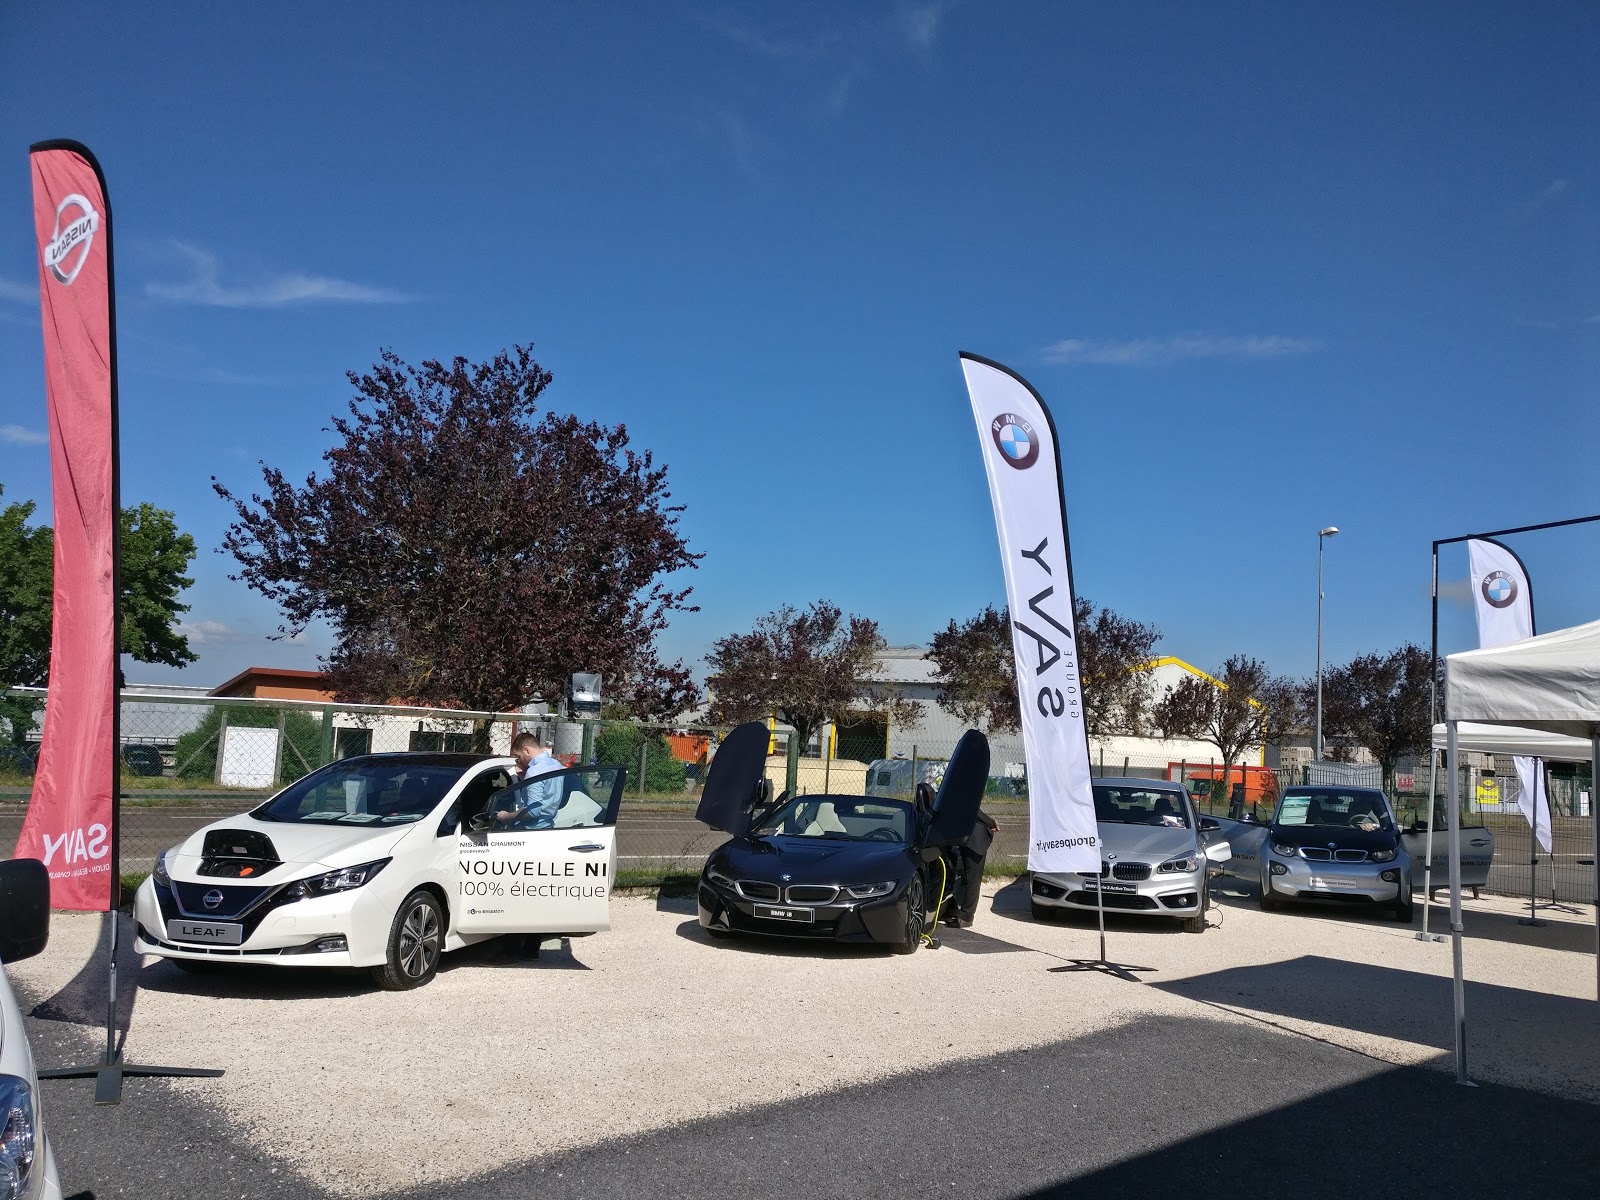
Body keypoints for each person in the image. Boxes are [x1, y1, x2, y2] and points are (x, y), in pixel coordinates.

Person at [495, 730, 562, 829]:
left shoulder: (534, 772)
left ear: (527, 750)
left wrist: (506, 817)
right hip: (549, 825)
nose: (519, 761)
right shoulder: (556, 765)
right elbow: (546, 794)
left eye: (518, 756)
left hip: (531, 830)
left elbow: (533, 811)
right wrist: (525, 780)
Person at [950, 808, 1000, 927]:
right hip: (965, 838)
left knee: (971, 879)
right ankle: (959, 912)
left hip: (974, 840)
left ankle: (966, 916)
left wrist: (991, 823)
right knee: (963, 876)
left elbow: (974, 810)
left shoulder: (962, 790)